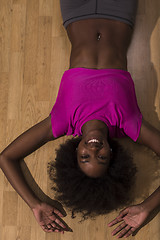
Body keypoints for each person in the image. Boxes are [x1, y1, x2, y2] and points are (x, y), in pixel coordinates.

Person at [0, 0, 160, 238]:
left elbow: (6, 157)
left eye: (85, 157)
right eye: (102, 158)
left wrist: (35, 204)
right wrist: (147, 206)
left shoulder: (62, 121)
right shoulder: (128, 124)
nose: (94, 150)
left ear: (74, 153)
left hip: (76, 10)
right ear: (112, 156)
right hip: (119, 11)